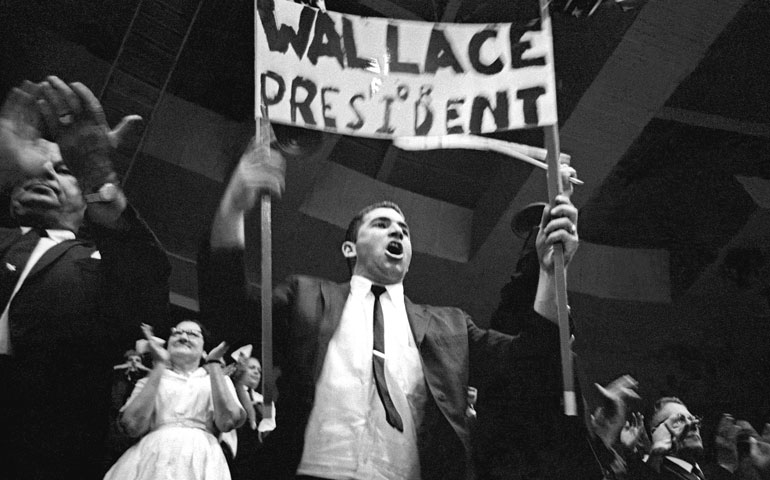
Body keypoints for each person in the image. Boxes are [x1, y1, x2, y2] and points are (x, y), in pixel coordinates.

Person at [199, 128, 579, 480]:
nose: (397, 230)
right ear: (350, 248)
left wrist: (549, 274)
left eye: (404, 230)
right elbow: (227, 311)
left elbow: (534, 363)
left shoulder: (452, 327)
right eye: (381, 224)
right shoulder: (306, 297)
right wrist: (232, 206)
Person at [0, 77, 170, 480]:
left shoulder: (100, 262)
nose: (45, 175)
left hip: (40, 446)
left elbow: (147, 281)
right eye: (34, 169)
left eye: (63, 170)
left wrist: (98, 176)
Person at [104, 321, 246, 480]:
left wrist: (213, 364)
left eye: (193, 334)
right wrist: (159, 365)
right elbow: (132, 426)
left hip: (202, 459)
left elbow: (228, 421)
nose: (184, 337)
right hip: (152, 458)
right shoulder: (148, 382)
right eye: (176, 333)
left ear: (204, 350)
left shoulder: (216, 380)